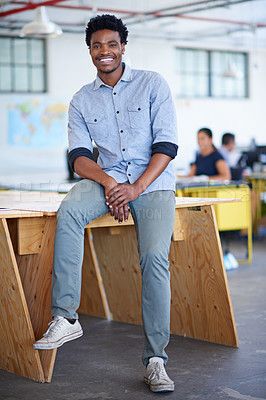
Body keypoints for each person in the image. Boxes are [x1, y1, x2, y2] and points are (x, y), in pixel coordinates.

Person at [34, 14, 178, 393]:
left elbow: (166, 146)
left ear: (123, 47)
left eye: (111, 44)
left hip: (153, 183)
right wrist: (112, 183)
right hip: (107, 180)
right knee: (69, 212)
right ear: (90, 51)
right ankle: (65, 317)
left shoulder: (151, 84)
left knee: (154, 259)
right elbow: (79, 157)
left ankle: (156, 360)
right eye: (97, 46)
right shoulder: (81, 100)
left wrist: (134, 188)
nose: (105, 52)